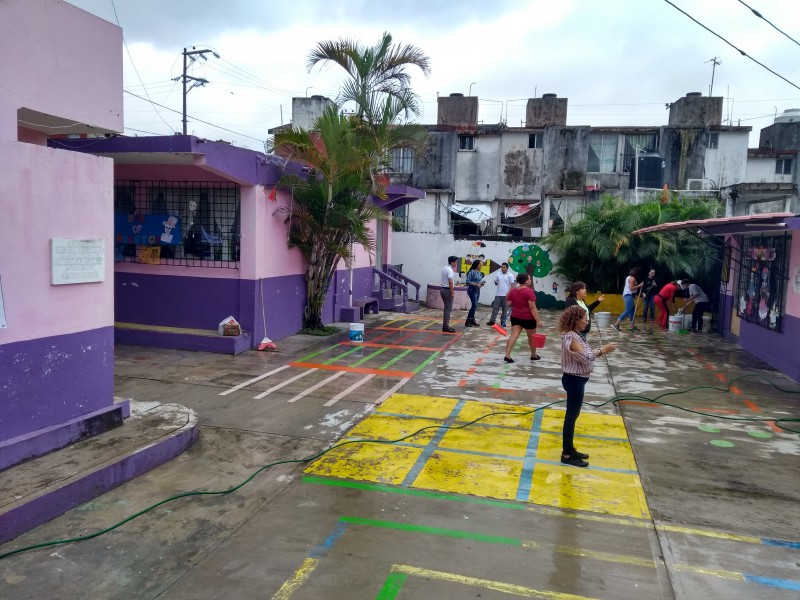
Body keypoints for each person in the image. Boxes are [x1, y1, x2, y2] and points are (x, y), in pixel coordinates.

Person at [559, 305, 618, 467]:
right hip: (574, 381)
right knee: (571, 417)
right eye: (585, 319)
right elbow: (585, 358)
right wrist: (603, 349)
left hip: (577, 380)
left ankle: (570, 449)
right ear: (576, 320)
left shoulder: (575, 335)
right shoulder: (572, 338)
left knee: (573, 416)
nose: (587, 322)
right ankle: (566, 454)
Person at [503, 273, 542, 363]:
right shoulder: (529, 291)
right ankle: (533, 355)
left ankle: (507, 355)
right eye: (529, 279)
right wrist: (538, 320)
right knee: (531, 338)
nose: (530, 280)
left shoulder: (513, 291)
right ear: (525, 281)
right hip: (528, 318)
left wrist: (509, 298)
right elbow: (532, 307)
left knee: (513, 336)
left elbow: (509, 304)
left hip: (515, 316)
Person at [611, 267, 644, 332]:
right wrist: (640, 285)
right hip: (628, 296)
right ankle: (616, 324)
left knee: (632, 311)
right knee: (627, 310)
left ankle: (632, 326)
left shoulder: (629, 277)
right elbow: (631, 288)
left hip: (629, 296)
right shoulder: (632, 278)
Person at [487, 262, 515, 328]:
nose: (502, 268)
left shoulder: (510, 275)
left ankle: (503, 321)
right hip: (498, 294)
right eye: (502, 267)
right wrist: (495, 282)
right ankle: (492, 321)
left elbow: (512, 285)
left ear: (507, 268)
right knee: (495, 308)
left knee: (504, 309)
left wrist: (509, 293)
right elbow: (497, 283)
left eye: (504, 267)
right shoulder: (498, 274)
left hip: (506, 295)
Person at [464, 258, 486, 327]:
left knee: (475, 306)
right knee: (474, 305)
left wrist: (482, 283)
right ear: (476, 265)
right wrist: (476, 284)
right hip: (472, 289)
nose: (481, 266)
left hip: (477, 289)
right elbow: (467, 281)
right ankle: (468, 320)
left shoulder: (479, 273)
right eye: (480, 264)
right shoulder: (472, 272)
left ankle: (472, 320)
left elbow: (479, 281)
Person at [440, 256, 458, 332]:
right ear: (452, 262)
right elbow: (450, 281)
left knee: (446, 309)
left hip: (443, 289)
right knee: (448, 310)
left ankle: (445, 325)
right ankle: (446, 326)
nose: (456, 263)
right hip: (447, 290)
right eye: (455, 262)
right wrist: (452, 292)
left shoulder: (445, 268)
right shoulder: (450, 270)